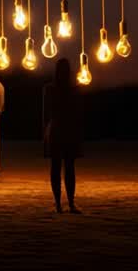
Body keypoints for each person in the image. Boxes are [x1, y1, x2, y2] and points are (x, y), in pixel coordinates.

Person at [44, 57, 83, 213]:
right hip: (68, 129)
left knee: (56, 167)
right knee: (69, 167)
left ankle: (59, 204)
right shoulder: (74, 89)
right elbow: (78, 112)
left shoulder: (49, 89)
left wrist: (45, 132)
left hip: (56, 129)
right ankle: (70, 203)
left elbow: (46, 113)